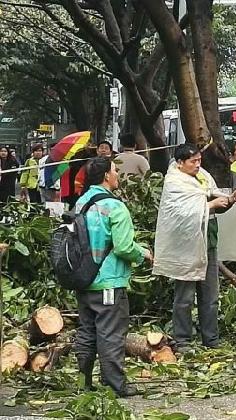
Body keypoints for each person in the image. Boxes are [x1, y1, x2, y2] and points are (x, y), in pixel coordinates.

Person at [153, 144, 236, 353]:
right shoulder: (174, 182)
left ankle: (211, 340)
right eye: (193, 161)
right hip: (184, 248)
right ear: (180, 163)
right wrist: (210, 206)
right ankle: (182, 340)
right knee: (184, 298)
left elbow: (215, 202)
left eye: (199, 160)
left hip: (208, 242)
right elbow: (182, 213)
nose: (197, 165)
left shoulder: (203, 177)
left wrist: (230, 199)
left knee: (210, 295)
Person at [74, 157, 152, 398]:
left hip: (84, 279)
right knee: (111, 335)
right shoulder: (115, 207)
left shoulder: (81, 203)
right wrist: (144, 253)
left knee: (86, 332)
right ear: (106, 176)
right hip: (109, 282)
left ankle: (83, 381)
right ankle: (115, 385)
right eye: (115, 171)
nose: (117, 174)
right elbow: (123, 247)